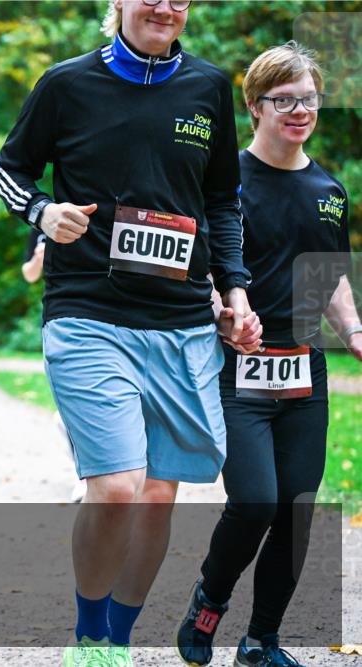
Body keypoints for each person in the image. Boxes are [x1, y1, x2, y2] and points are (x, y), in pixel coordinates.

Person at [0, 1, 263, 665]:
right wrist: (41, 210)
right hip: (86, 309)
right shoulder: (66, 83)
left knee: (158, 494)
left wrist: (234, 292)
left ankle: (117, 635)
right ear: (117, 2)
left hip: (180, 320)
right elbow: (6, 169)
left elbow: (222, 201)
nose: (165, 6)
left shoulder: (207, 88)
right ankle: (89, 636)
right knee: (116, 485)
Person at [176, 42, 359, 667]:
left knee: (296, 509)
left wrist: (355, 332)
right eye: (284, 100)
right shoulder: (223, 184)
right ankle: (209, 602)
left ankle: (261, 642)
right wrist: (221, 311)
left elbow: (328, 278)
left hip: (305, 369)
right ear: (254, 107)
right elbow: (199, 267)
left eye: (308, 98)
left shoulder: (328, 190)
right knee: (255, 500)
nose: (299, 110)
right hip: (237, 368)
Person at [22, 229, 88, 504]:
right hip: (63, 321)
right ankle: (85, 476)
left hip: (103, 313)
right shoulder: (43, 221)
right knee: (73, 411)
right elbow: (29, 274)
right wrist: (39, 258)